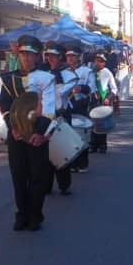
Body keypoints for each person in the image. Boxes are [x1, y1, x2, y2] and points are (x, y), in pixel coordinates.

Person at [0, 35, 55, 231]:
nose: (26, 58)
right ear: (19, 54)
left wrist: (40, 133)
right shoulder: (8, 79)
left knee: (37, 177)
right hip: (16, 135)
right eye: (23, 54)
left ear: (37, 56)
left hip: (37, 134)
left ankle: (35, 216)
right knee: (18, 176)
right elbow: (5, 106)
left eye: (30, 54)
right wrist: (12, 128)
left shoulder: (47, 78)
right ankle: (21, 214)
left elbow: (48, 109)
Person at [45, 42, 77, 195]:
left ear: (60, 57)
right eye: (48, 56)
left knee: (61, 151)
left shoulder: (69, 75)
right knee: (45, 153)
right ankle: (46, 185)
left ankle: (64, 185)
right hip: (45, 116)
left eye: (53, 56)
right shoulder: (42, 72)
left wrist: (54, 76)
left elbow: (60, 93)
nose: (50, 59)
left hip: (60, 115)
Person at [65, 43, 93, 173]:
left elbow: (92, 89)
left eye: (73, 56)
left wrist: (82, 88)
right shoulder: (63, 72)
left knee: (81, 134)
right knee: (69, 134)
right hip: (67, 106)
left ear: (78, 57)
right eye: (68, 56)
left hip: (81, 105)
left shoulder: (87, 71)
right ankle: (72, 163)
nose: (70, 59)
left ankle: (82, 163)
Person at [89, 51, 118, 153]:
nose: (98, 63)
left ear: (104, 63)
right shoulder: (90, 72)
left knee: (101, 123)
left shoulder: (107, 72)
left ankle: (102, 145)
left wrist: (108, 98)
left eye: (101, 61)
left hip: (103, 99)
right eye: (96, 61)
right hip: (92, 100)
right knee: (92, 122)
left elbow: (114, 89)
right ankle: (92, 144)